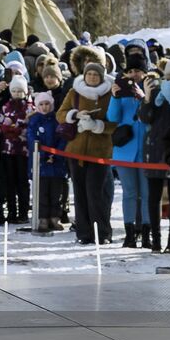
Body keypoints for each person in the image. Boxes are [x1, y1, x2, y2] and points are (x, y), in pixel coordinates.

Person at [58, 50, 116, 245]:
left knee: (96, 193)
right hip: (76, 150)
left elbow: (116, 121)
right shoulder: (74, 92)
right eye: (89, 74)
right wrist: (75, 115)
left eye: (95, 74)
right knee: (80, 193)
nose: (92, 77)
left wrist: (98, 126)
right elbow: (60, 114)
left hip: (99, 151)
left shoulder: (109, 94)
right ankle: (83, 233)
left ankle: (102, 233)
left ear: (101, 76)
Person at [141, 58, 170, 252]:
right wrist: (148, 98)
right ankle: (155, 240)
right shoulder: (158, 91)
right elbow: (145, 118)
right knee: (153, 197)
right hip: (154, 148)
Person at [107, 57, 150, 248]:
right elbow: (112, 117)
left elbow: (154, 117)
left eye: (138, 71)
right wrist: (115, 98)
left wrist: (144, 97)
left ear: (144, 73)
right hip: (125, 150)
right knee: (130, 193)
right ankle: (130, 234)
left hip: (147, 151)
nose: (134, 75)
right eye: (130, 71)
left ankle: (147, 234)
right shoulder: (120, 91)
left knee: (147, 194)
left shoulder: (151, 89)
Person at [25, 91, 69, 235]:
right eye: (41, 104)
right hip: (40, 164)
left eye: (47, 104)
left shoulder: (57, 120)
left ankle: (55, 217)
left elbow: (63, 138)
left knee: (56, 192)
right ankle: (42, 217)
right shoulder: (34, 121)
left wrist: (55, 155)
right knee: (42, 192)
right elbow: (32, 140)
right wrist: (43, 155)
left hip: (56, 164)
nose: (44, 107)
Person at [0, 76, 31, 225]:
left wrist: (14, 128)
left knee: (22, 181)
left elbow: (27, 126)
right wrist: (9, 129)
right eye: (14, 91)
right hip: (8, 150)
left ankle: (23, 211)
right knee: (9, 181)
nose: (17, 93)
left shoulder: (29, 107)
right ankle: (11, 210)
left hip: (23, 150)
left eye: (20, 91)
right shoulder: (5, 107)